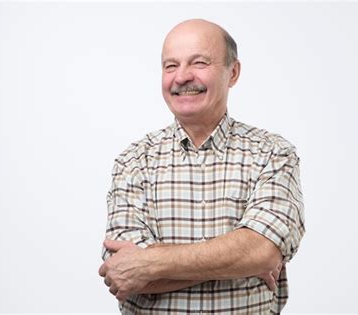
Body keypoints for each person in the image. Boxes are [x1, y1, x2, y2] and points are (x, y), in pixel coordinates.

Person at [98, 19, 305, 314]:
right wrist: (238, 260)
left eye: (198, 62)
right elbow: (123, 272)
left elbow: (262, 251)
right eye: (170, 66)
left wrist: (149, 263)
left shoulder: (273, 153)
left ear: (232, 72)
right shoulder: (132, 161)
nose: (181, 76)